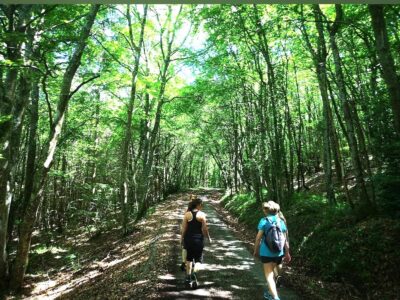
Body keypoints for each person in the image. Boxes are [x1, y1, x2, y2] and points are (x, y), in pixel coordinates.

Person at [253, 201, 291, 300]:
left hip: (266, 252)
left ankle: (275, 297)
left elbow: (258, 238)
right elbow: (285, 240)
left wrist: (255, 250)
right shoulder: (281, 222)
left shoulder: (264, 221)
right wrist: (287, 253)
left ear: (266, 211)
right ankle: (270, 293)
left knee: (269, 276)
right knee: (273, 273)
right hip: (279, 252)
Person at [180, 196, 212, 288]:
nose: (202, 206)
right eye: (201, 205)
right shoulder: (202, 214)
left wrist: (181, 239)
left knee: (189, 259)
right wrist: (209, 237)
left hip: (188, 239)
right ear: (198, 205)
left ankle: (188, 278)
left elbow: (184, 228)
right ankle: (194, 274)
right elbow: (205, 229)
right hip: (198, 240)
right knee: (198, 260)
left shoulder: (187, 214)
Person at [180, 195, 196, 271]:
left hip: (188, 232)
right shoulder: (197, 209)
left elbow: (184, 224)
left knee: (185, 247)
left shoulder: (187, 210)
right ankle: (190, 262)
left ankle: (184, 262)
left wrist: (182, 235)